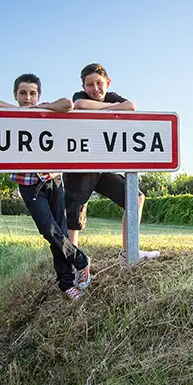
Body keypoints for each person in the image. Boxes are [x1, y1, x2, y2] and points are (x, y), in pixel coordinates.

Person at [0, 73, 92, 301]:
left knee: (58, 232)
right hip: (28, 183)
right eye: (23, 93)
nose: (28, 98)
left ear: (39, 95)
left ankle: (66, 283)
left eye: (32, 93)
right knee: (48, 230)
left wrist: (43, 107)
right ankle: (81, 260)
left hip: (53, 180)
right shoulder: (11, 113)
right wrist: (18, 110)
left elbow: (67, 104)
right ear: (15, 94)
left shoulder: (45, 111)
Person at [64, 63, 160, 261]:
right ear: (83, 87)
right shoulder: (79, 97)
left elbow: (131, 107)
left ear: (107, 82)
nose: (95, 88)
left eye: (99, 83)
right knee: (75, 213)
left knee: (135, 198)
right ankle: (71, 263)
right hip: (80, 165)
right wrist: (112, 109)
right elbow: (81, 106)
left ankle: (129, 252)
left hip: (103, 166)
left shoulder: (112, 95)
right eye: (90, 85)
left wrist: (104, 107)